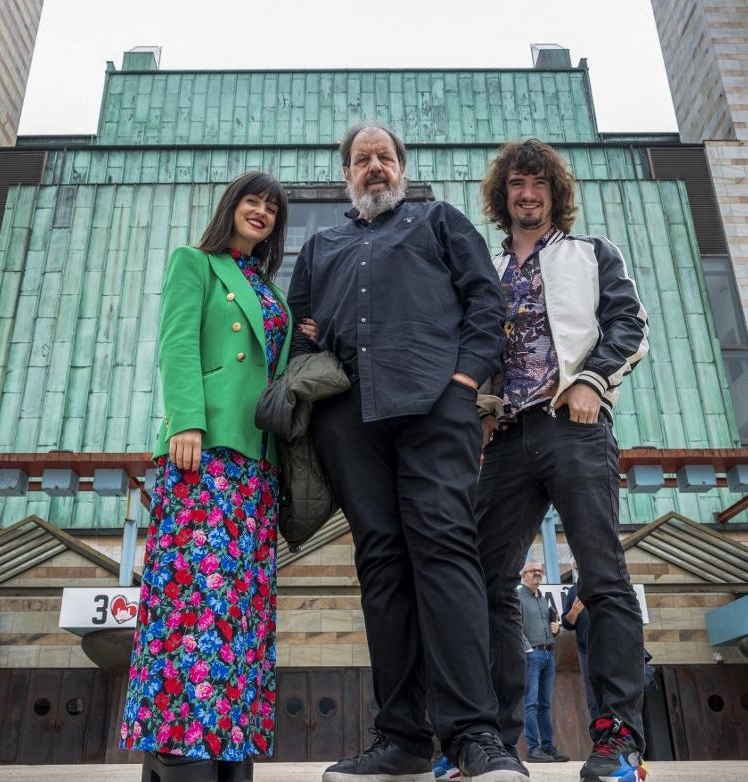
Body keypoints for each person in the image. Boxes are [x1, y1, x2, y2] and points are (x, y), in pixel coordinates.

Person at [288, 120, 528, 782]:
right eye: (362, 159)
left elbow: (488, 303)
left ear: (402, 168)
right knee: (383, 567)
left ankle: (476, 736)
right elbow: (299, 333)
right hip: (349, 421)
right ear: (346, 175)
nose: (375, 167)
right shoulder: (321, 246)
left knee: (445, 552)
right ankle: (402, 739)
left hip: (433, 407)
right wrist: (315, 377)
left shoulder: (439, 222)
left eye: (385, 158)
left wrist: (463, 382)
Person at [473, 138, 650, 782]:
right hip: (509, 438)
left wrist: (592, 380)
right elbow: (476, 351)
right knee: (486, 581)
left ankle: (618, 740)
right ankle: (492, 743)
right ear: (503, 195)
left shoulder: (591, 253)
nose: (527, 194)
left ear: (554, 193)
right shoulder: (486, 269)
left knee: (603, 577)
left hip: (574, 425)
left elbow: (630, 325)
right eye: (517, 184)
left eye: (538, 185)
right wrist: (485, 408)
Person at [119, 171, 291, 782]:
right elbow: (177, 345)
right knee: (192, 602)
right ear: (231, 206)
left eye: (272, 207)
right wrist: (186, 421)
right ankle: (178, 746)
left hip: (256, 466)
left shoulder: (267, 287)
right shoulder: (196, 262)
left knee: (239, 611)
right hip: (206, 451)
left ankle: (228, 746)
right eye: (253, 200)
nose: (263, 212)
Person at [517, 561, 568, 763]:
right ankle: (533, 749)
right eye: (533, 571)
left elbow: (552, 626)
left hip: (548, 654)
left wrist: (557, 630)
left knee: (545, 704)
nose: (537, 574)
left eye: (540, 571)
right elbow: (514, 625)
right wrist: (527, 648)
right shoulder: (519, 597)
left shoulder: (543, 599)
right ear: (523, 576)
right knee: (531, 703)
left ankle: (547, 748)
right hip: (532, 655)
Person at [561, 580, 599, 722]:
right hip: (586, 651)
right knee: (593, 698)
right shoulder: (574, 590)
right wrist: (574, 611)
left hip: (608, 649)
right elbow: (567, 624)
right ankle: (600, 737)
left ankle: (619, 736)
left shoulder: (604, 584)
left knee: (613, 694)